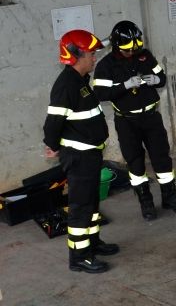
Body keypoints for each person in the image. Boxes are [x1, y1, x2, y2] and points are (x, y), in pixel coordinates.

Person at [93, 21, 176, 220]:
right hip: (127, 122)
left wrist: (156, 80)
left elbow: (161, 76)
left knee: (162, 158)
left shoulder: (144, 55)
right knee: (135, 164)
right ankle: (146, 204)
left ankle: (170, 198)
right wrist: (124, 85)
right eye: (127, 50)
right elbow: (100, 93)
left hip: (151, 117)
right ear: (117, 45)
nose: (131, 53)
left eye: (135, 49)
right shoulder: (105, 66)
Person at [44, 30, 119, 273]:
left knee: (92, 202)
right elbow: (53, 122)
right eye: (90, 54)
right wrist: (53, 145)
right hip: (79, 156)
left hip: (90, 154)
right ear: (75, 55)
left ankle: (93, 243)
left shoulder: (80, 81)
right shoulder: (66, 85)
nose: (95, 57)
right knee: (81, 206)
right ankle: (79, 257)